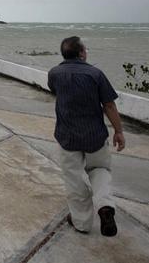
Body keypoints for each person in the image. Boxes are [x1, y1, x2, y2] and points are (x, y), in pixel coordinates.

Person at [47, 36, 125, 236]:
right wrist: (118, 131)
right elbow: (109, 105)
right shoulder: (96, 74)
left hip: (67, 137)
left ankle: (81, 223)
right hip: (95, 136)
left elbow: (54, 91)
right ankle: (105, 207)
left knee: (73, 178)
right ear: (81, 53)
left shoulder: (54, 73)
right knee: (99, 170)